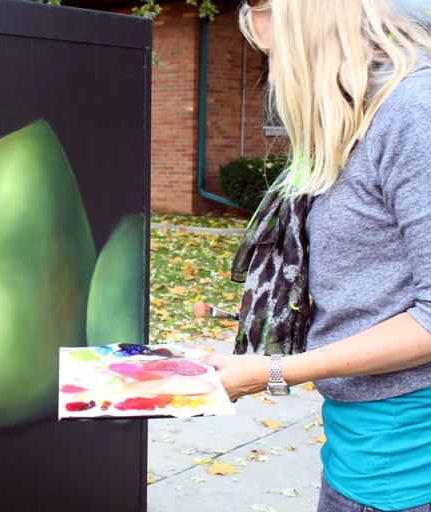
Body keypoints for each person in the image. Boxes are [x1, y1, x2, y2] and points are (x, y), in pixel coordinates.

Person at [202, 1, 431, 511]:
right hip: (356, 450)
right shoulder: (358, 121)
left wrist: (276, 370)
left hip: (407, 464)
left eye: (276, 54)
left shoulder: (414, 112)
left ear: (320, 36)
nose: (273, 76)